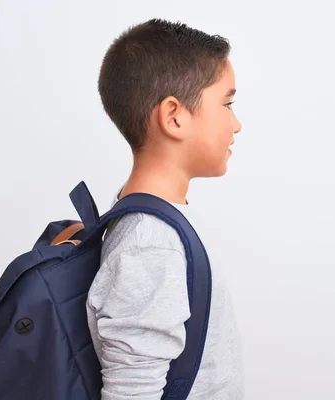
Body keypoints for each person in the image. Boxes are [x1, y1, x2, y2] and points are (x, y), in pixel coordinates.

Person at [85, 18, 244, 399]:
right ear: (174, 116)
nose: (236, 124)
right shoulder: (151, 243)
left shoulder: (154, 221)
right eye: (227, 103)